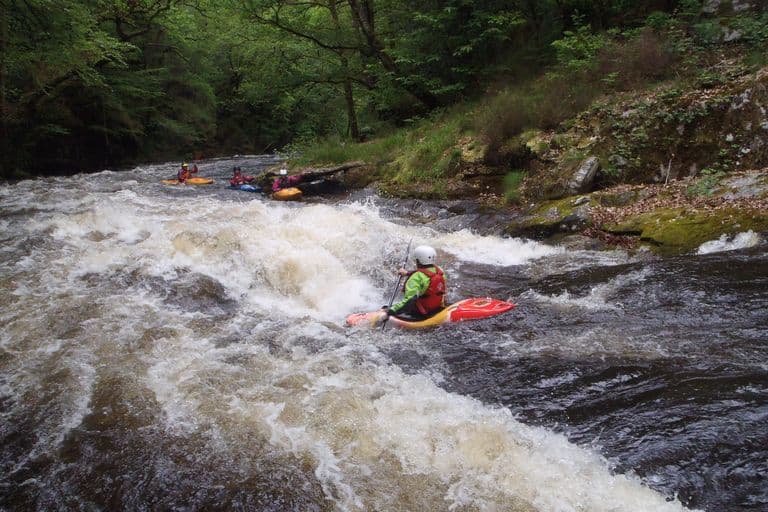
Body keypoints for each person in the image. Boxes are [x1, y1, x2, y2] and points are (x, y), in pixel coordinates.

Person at [383, 245, 446, 320]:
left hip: (421, 313)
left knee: (386, 307)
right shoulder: (440, 273)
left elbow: (410, 300)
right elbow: (426, 273)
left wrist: (391, 310)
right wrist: (407, 273)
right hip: (436, 308)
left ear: (418, 261)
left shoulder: (416, 278)